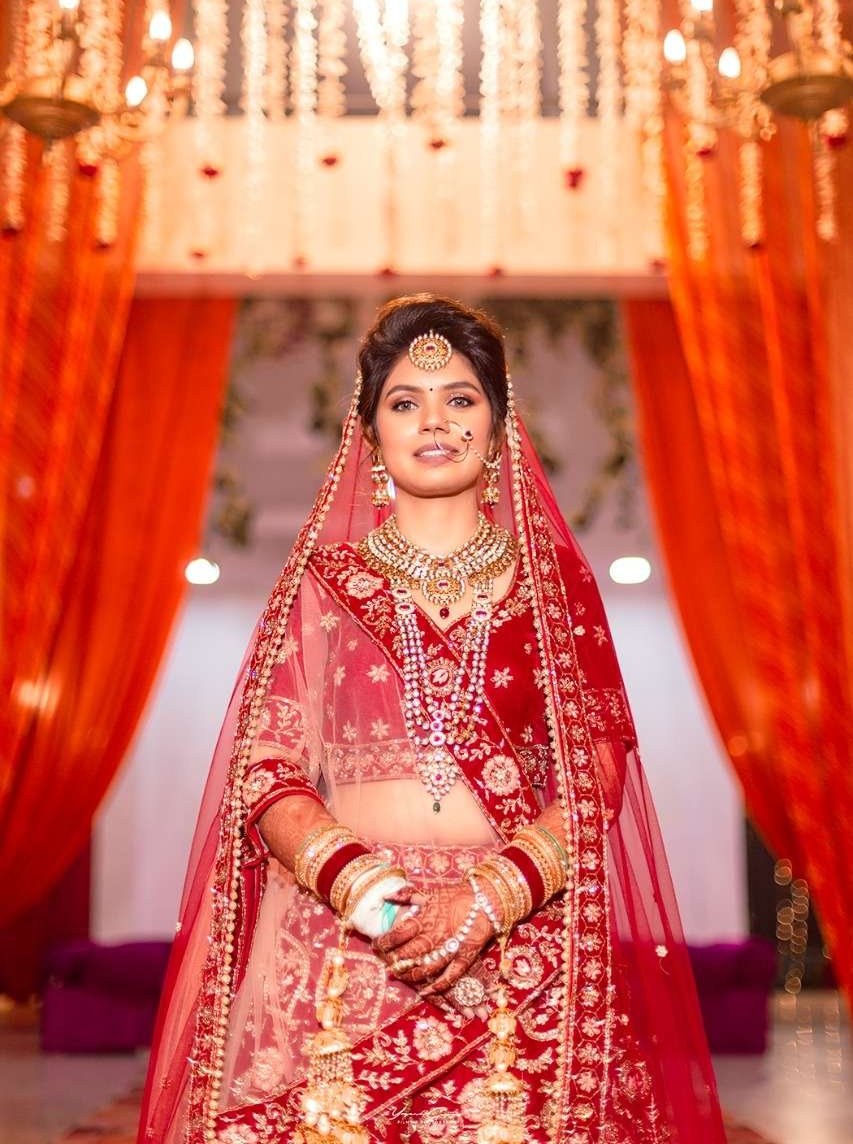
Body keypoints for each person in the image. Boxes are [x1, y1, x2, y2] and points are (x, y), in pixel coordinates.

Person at [139, 295, 726, 1144]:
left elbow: (596, 773)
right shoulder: (325, 586)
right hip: (339, 945)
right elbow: (266, 767)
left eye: (460, 397)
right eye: (404, 402)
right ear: (369, 433)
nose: (434, 420)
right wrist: (375, 903)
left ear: (498, 424)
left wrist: (487, 900)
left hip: (517, 947)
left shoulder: (554, 590)